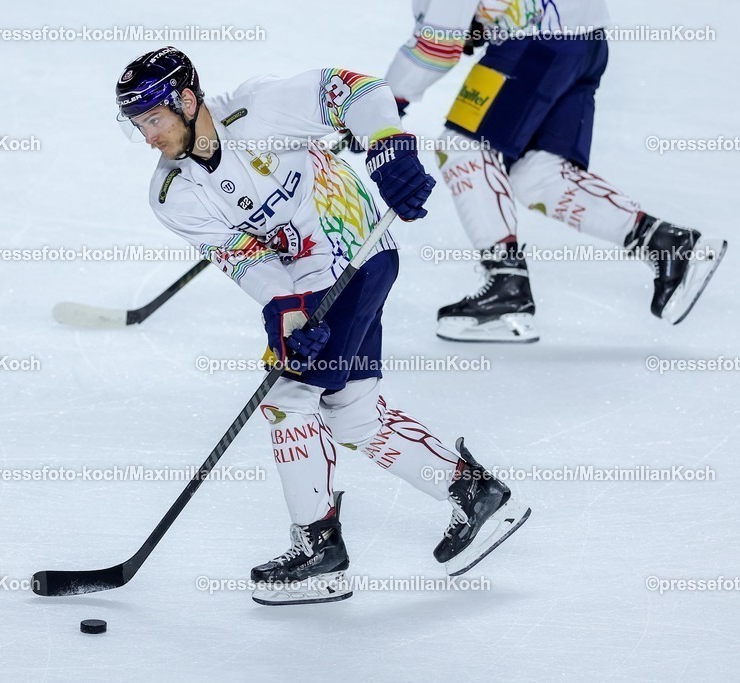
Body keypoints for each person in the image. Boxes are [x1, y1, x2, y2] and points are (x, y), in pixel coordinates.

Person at [115, 46, 530, 605]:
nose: (147, 136)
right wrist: (284, 312)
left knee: (288, 399)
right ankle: (476, 493)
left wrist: (389, 147)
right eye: (137, 125)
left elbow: (359, 91)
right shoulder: (171, 194)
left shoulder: (261, 108)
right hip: (310, 284)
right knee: (354, 413)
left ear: (187, 102)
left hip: (354, 254)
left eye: (154, 119)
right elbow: (243, 259)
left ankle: (320, 551)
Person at [384, 0, 727, 342]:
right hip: (583, 41)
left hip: (536, 40)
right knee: (538, 175)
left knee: (462, 146)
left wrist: (386, 104)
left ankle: (508, 286)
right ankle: (666, 244)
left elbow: (437, 44)